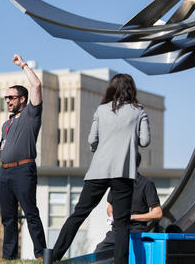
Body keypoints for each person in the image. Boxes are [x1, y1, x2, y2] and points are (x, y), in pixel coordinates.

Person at [51, 74, 151, 264]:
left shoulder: (101, 109)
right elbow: (145, 141)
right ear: (132, 89)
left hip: (98, 170)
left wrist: (102, 147)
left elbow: (91, 141)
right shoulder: (138, 111)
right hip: (123, 172)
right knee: (121, 223)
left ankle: (54, 255)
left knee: (79, 213)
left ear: (111, 89)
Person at [0, 54, 46, 260]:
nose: (7, 101)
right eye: (6, 98)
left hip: (24, 170)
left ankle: (40, 255)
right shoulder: (6, 124)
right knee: (7, 218)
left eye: (11, 97)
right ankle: (8, 257)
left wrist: (23, 65)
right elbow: (2, 151)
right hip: (5, 172)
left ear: (22, 99)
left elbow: (36, 85)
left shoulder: (31, 114)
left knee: (31, 213)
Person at [94, 153, 163, 252]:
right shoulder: (117, 183)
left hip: (136, 231)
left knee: (129, 256)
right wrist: (112, 216)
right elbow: (110, 207)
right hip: (116, 231)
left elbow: (158, 213)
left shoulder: (146, 184)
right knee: (98, 253)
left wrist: (131, 217)